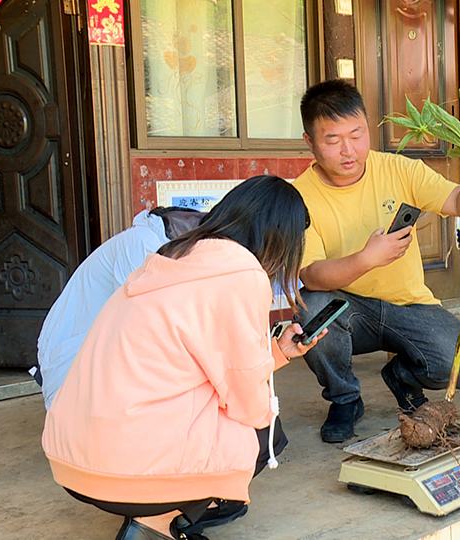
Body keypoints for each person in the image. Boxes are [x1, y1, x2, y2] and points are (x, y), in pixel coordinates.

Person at [42, 176, 321, 540]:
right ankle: (155, 524)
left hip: (72, 457)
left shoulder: (170, 254)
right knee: (265, 429)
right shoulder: (242, 271)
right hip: (125, 465)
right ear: (280, 237)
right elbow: (243, 390)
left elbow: (194, 359)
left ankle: (154, 520)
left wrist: (278, 353)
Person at [294, 79, 460, 443]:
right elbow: (311, 275)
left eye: (357, 134)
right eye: (333, 140)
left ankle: (402, 378)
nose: (349, 150)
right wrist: (366, 259)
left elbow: (455, 198)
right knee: (310, 309)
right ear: (309, 143)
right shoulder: (298, 196)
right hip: (349, 308)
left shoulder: (398, 169)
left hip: (409, 304)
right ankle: (345, 399)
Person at [35, 206, 203, 409]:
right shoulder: (143, 244)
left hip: (104, 359)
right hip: (73, 360)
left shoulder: (166, 249)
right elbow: (139, 329)